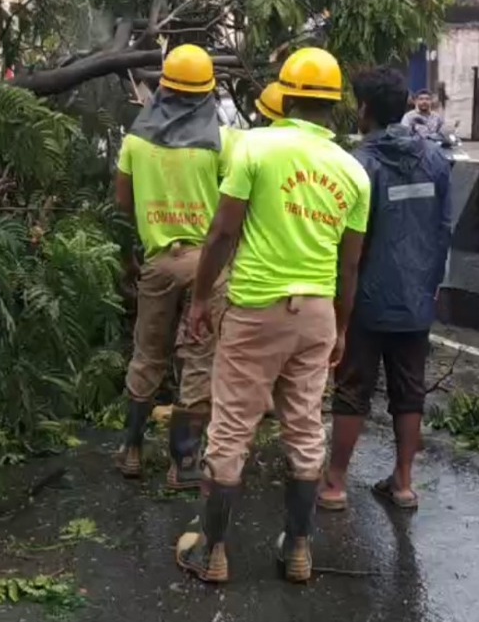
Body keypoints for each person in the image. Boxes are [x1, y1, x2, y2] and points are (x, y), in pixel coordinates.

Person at [174, 47, 370, 585]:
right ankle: (299, 550)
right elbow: (350, 265)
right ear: (335, 103)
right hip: (316, 314)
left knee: (232, 427)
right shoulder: (353, 172)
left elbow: (222, 233)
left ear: (285, 94)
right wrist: (341, 327)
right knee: (305, 428)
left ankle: (212, 553)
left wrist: (199, 300)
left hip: (256, 308)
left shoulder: (256, 148)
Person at [318, 67, 451, 512]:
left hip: (367, 297)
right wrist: (430, 284)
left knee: (353, 385)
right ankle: (404, 482)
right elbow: (444, 228)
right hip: (416, 296)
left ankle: (335, 483)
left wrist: (340, 304)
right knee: (409, 388)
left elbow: (347, 244)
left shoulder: (358, 164)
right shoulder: (435, 159)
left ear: (366, 110)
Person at [113, 44, 234, 490]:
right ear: (206, 93)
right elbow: (232, 208)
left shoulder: (136, 140)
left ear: (164, 88)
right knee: (200, 357)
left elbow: (123, 201)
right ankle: (184, 464)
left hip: (159, 261)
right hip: (208, 263)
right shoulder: (222, 144)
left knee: (147, 354)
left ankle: (131, 449)